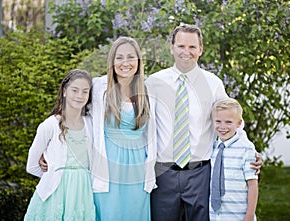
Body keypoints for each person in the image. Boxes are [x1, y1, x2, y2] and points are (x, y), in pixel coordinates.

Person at [145, 24, 261, 221]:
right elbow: (144, 124)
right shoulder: (154, 82)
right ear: (172, 47)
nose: (186, 52)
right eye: (181, 46)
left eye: (192, 47)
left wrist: (247, 148)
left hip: (200, 174)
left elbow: (230, 118)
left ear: (201, 49)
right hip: (163, 174)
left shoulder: (213, 83)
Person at [90, 36, 156, 221]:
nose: (125, 63)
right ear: (112, 61)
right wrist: (50, 145)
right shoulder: (98, 87)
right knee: (110, 214)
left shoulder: (148, 90)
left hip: (138, 168)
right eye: (119, 57)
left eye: (130, 57)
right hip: (108, 166)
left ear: (138, 61)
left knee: (135, 214)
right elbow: (73, 114)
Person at [24, 69, 96, 220]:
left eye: (85, 92)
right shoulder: (50, 125)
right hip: (54, 194)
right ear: (64, 91)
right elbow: (31, 166)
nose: (79, 96)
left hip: (82, 194)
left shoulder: (91, 124)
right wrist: (53, 172)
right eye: (74, 90)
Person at [210, 98, 258, 221]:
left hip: (238, 215)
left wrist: (250, 215)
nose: (222, 127)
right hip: (214, 216)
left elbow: (252, 185)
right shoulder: (212, 147)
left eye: (228, 122)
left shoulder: (246, 148)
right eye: (218, 121)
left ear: (238, 123)